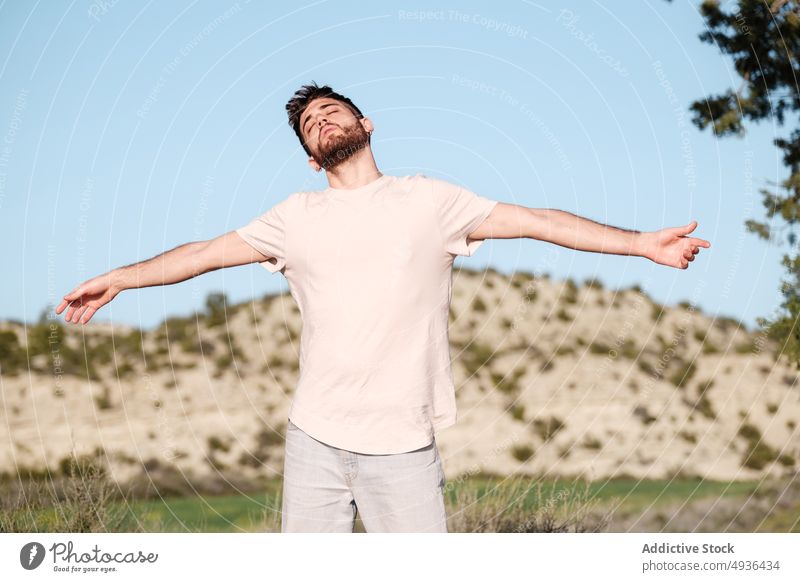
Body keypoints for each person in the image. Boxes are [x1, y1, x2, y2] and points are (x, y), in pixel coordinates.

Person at [56, 82, 711, 533]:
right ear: (312, 159)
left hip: (403, 445)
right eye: (309, 124)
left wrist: (639, 245)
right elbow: (201, 254)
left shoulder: (430, 200)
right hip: (312, 439)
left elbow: (537, 219)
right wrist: (120, 278)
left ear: (366, 125)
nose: (322, 121)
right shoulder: (294, 216)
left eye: (332, 111)